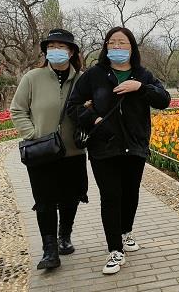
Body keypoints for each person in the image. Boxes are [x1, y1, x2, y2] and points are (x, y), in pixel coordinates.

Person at [67, 26, 170, 275]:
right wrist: (93, 119)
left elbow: (164, 100)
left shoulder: (142, 75)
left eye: (122, 43)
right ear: (105, 47)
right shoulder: (94, 75)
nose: (117, 47)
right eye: (112, 42)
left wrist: (141, 88)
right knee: (111, 196)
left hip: (135, 145)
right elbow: (73, 105)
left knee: (130, 194)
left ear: (132, 47)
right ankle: (115, 250)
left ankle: (125, 233)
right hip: (104, 146)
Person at [10, 29, 89, 270]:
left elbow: (95, 109)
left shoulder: (82, 79)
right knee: (44, 200)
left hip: (73, 151)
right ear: (45, 51)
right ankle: (49, 250)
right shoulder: (32, 78)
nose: (56, 51)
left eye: (62, 47)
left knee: (70, 197)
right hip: (42, 152)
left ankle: (64, 235)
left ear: (72, 51)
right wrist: (34, 134)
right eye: (51, 47)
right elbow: (17, 110)